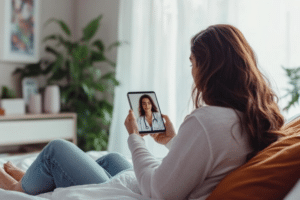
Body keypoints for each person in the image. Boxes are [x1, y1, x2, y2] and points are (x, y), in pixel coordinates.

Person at [0, 24, 285, 200]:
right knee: (112, 160)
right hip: (169, 189)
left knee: (56, 150)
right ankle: (31, 181)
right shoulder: (249, 116)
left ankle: (22, 190)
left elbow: (160, 192)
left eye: (193, 63)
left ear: (211, 68)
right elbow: (211, 162)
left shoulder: (208, 119)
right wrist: (172, 141)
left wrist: (135, 137)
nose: (193, 73)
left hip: (152, 194)